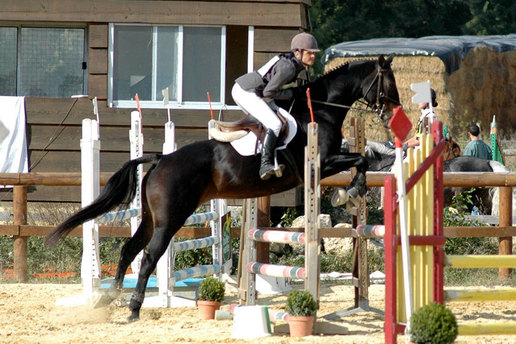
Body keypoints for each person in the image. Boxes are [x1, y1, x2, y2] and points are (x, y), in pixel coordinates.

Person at [231, 32, 319, 180]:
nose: (313, 56)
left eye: (314, 53)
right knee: (275, 124)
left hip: (251, 90)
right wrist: (292, 93)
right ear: (297, 53)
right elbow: (268, 92)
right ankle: (265, 164)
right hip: (246, 91)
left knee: (273, 120)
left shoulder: (294, 64)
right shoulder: (289, 68)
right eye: (309, 53)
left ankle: (265, 157)